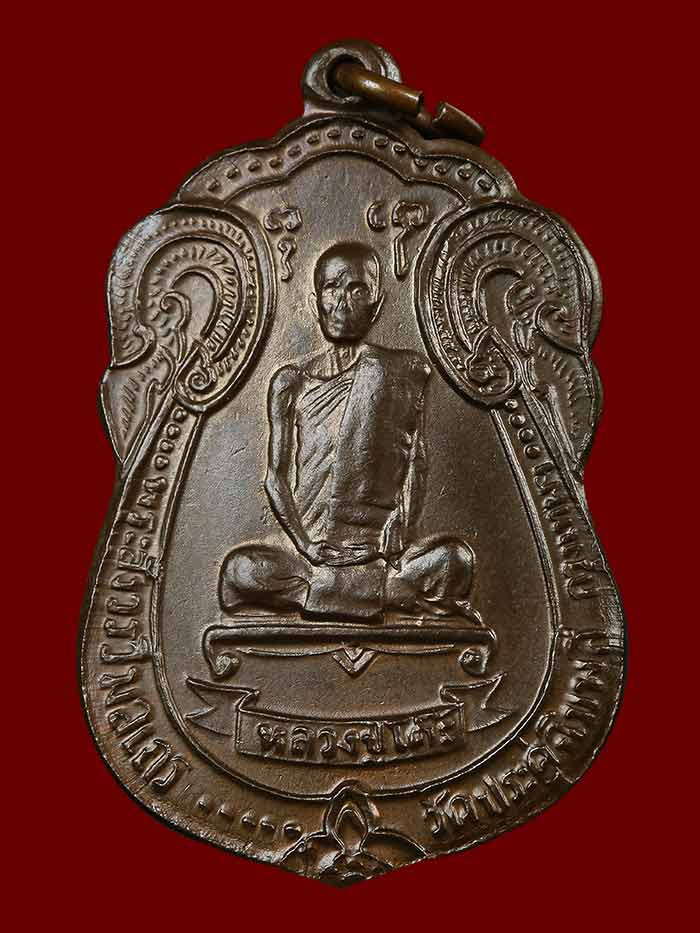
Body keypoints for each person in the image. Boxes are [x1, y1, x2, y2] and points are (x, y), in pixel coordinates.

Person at [219, 242, 475, 621]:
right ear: (315, 302)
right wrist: (306, 546)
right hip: (311, 555)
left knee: (456, 560)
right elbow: (275, 478)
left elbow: (415, 460)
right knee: (240, 570)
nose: (342, 302)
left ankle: (330, 594)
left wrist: (401, 528)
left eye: (357, 290)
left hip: (376, 552)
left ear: (377, 303)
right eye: (332, 289)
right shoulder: (290, 381)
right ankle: (375, 595)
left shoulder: (403, 372)